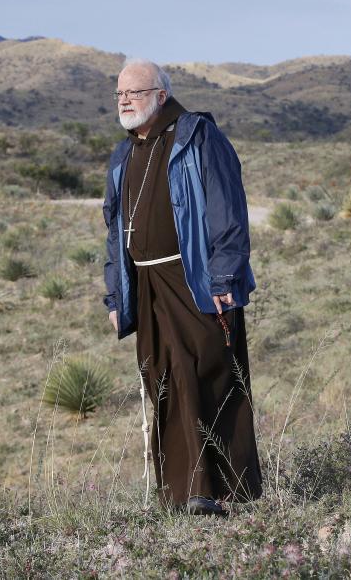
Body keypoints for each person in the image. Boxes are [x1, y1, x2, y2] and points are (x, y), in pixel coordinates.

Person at [102, 58, 262, 516]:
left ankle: (227, 489)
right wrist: (116, 294)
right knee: (165, 381)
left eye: (133, 92)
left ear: (161, 95)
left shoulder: (197, 137)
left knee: (208, 375)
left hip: (195, 278)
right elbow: (113, 232)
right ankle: (186, 493)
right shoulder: (124, 153)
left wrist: (225, 275)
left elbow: (227, 210)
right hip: (147, 283)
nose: (124, 101)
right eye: (119, 94)